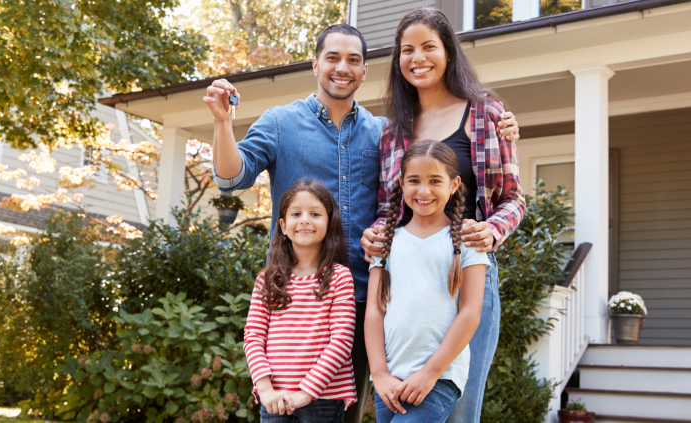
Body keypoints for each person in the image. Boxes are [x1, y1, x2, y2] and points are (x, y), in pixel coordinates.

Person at [204, 23, 520, 423]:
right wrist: (221, 123)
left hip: (374, 296)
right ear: (315, 63)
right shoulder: (281, 123)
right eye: (333, 57)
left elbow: (421, 188)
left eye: (354, 60)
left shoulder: (383, 132)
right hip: (304, 303)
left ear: (365, 70)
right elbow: (232, 178)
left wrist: (503, 130)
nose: (342, 68)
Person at [361, 8, 525, 423]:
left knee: (461, 410)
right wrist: (376, 234)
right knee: (403, 398)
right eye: (407, 50)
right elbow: (389, 208)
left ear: (448, 51)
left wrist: (490, 231)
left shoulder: (487, 115)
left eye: (429, 47)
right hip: (409, 280)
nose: (418, 58)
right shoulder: (393, 131)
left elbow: (514, 198)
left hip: (465, 273)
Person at [366, 140, 490, 423]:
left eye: (435, 180)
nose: (423, 191)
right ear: (401, 182)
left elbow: (470, 313)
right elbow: (375, 312)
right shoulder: (385, 242)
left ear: (454, 184)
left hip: (438, 378)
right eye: (414, 180)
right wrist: (380, 374)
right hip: (390, 381)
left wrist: (431, 372)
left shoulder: (468, 241)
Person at [244, 179, 357, 422]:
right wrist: (264, 389)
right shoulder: (268, 279)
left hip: (322, 399)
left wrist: (306, 392)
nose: (305, 219)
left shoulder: (340, 277)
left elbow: (342, 340)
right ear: (283, 225)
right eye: (296, 213)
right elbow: (253, 336)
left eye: (315, 214)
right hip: (274, 399)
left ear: (329, 223)